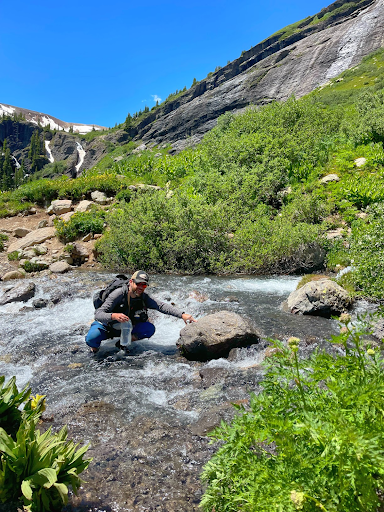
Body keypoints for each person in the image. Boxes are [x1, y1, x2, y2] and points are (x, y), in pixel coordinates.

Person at [85, 270, 197, 353]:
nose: (141, 287)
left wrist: (182, 315)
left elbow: (161, 306)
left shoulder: (144, 296)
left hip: (126, 329)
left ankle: (121, 344)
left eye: (144, 284)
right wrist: (114, 315)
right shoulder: (118, 294)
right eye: (138, 283)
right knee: (92, 338)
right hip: (108, 327)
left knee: (149, 328)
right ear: (131, 282)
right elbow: (98, 314)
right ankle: (95, 349)